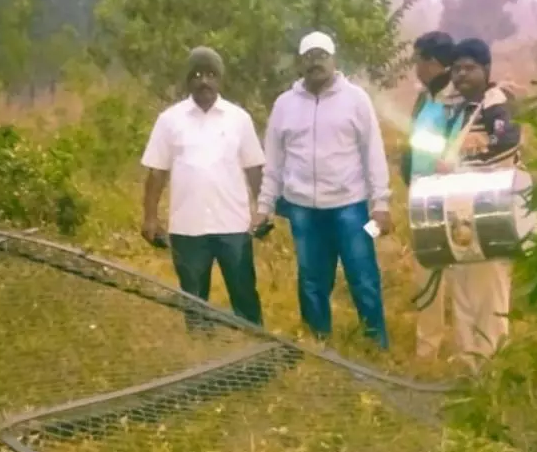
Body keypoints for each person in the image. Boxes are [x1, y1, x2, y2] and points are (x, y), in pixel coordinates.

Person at [253, 31, 393, 348]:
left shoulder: (356, 99)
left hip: (351, 206)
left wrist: (380, 203)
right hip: (302, 209)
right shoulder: (284, 105)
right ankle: (318, 343)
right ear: (300, 63)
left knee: (363, 276)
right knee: (312, 280)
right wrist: (264, 207)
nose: (316, 62)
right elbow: (273, 162)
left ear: (334, 59)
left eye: (322, 55)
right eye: (309, 57)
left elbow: (373, 151)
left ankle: (375, 342)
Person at [140, 47, 266, 328]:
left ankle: (258, 356)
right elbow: (157, 172)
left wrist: (263, 210)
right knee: (195, 301)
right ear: (187, 81)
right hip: (188, 228)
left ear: (220, 79)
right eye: (196, 75)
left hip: (232, 225)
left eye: (210, 74)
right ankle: (202, 355)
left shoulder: (238, 119)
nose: (204, 81)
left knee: (244, 295)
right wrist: (150, 218)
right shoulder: (169, 120)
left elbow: (254, 167)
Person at [438, 37, 522, 369]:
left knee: (489, 295)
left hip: (492, 213)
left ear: (486, 69)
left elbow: (506, 143)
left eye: (469, 68)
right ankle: (470, 369)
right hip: (464, 212)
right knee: (465, 292)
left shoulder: (495, 102)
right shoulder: (462, 110)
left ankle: (493, 373)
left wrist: (459, 166)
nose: (461, 75)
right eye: (456, 69)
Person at [399, 30, 459, 359]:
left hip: (451, 198)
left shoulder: (457, 98)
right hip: (421, 195)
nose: (415, 68)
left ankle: (470, 348)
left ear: (433, 62)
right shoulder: (425, 97)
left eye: (417, 60)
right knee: (427, 270)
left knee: (460, 271)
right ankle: (428, 346)